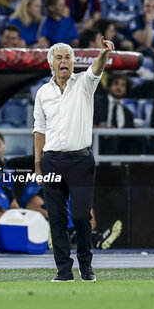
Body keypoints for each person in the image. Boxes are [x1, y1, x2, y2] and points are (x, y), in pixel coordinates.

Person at [33, 37, 114, 282]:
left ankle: (85, 265)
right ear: (51, 64)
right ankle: (64, 271)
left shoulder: (84, 83)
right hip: (52, 162)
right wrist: (37, 164)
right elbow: (39, 128)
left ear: (74, 62)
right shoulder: (43, 92)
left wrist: (104, 53)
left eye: (68, 57)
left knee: (80, 215)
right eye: (59, 57)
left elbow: (97, 69)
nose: (64, 61)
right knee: (56, 218)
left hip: (81, 161)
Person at [22, 180, 123, 250]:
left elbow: (92, 222)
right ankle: (53, 238)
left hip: (72, 230)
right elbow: (31, 205)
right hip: (55, 224)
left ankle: (99, 240)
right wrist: (52, 215)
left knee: (84, 234)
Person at [94, 73, 146, 155]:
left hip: (121, 146)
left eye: (123, 85)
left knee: (133, 137)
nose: (119, 87)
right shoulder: (97, 102)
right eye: (116, 84)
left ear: (126, 90)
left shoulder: (128, 113)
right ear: (109, 87)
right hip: (99, 141)